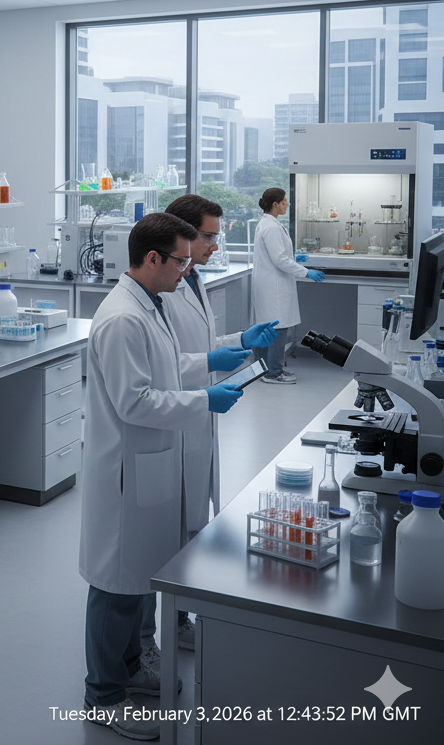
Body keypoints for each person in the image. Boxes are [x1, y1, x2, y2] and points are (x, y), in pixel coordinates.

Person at [80, 212, 243, 741]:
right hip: (127, 469)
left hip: (151, 463)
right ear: (151, 258)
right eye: (179, 260)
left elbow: (167, 366)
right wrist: (203, 401)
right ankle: (102, 695)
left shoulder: (151, 303)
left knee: (137, 578)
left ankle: (129, 669)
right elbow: (135, 400)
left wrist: (212, 362)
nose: (186, 269)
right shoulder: (123, 318)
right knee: (115, 585)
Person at [128, 195, 277, 660]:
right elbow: (171, 362)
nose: (216, 244)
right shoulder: (161, 290)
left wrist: (235, 343)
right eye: (208, 236)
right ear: (182, 237)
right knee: (159, 544)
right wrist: (210, 363)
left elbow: (199, 344)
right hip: (176, 420)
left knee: (190, 533)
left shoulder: (188, 279)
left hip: (194, 418)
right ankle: (149, 640)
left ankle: (177, 620)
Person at [253, 188, 325, 385]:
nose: (287, 204)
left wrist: (295, 259)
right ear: (275, 204)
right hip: (274, 286)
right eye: (284, 202)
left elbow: (279, 256)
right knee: (277, 330)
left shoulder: (268, 224)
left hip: (271, 284)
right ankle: (273, 373)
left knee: (269, 329)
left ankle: (263, 370)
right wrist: (305, 271)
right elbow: (280, 260)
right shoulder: (272, 227)